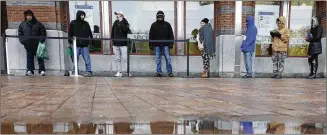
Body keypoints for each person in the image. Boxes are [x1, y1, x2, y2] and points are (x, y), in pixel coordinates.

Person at [18, 9, 47, 76]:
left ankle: (42, 70)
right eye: (27, 16)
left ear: (32, 16)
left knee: (40, 58)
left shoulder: (38, 24)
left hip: (38, 44)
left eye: (30, 15)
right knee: (29, 58)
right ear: (25, 16)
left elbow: (43, 33)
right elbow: (20, 34)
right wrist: (24, 42)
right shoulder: (22, 25)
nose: (29, 17)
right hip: (28, 45)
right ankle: (29, 70)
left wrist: (41, 41)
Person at [149, 11, 174, 77]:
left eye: (161, 16)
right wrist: (150, 44)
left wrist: (171, 43)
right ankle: (159, 72)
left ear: (163, 17)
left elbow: (171, 34)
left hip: (166, 45)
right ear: (156, 17)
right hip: (157, 45)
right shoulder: (153, 25)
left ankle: (170, 72)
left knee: (168, 58)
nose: (160, 18)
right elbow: (151, 35)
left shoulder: (167, 24)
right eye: (158, 16)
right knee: (158, 59)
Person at [68, 10, 93, 77]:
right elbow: (70, 33)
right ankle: (75, 71)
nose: (82, 16)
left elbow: (90, 33)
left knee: (87, 59)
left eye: (83, 15)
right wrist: (69, 42)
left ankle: (89, 71)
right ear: (78, 15)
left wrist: (90, 42)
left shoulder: (86, 23)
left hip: (85, 45)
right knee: (75, 59)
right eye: (81, 15)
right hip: (76, 44)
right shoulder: (73, 23)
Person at [111, 11, 130, 77]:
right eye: (117, 14)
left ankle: (126, 72)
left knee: (124, 58)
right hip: (116, 44)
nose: (117, 15)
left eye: (118, 14)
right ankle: (119, 72)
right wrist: (112, 42)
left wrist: (121, 21)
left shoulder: (126, 22)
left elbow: (126, 30)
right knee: (117, 58)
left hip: (123, 44)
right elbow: (112, 32)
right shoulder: (115, 22)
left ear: (122, 15)